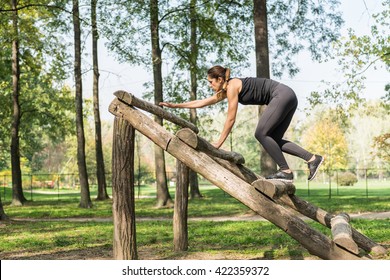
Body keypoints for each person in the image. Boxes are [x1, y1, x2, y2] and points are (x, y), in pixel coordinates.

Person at [159, 65, 323, 182]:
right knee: (273, 139)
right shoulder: (227, 88)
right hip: (288, 96)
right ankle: (312, 158)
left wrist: (219, 142)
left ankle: (285, 171)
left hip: (281, 95)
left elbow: (231, 119)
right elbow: (203, 102)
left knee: (261, 133)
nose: (210, 86)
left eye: (211, 82)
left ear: (220, 79)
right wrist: (175, 105)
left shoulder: (232, 87)